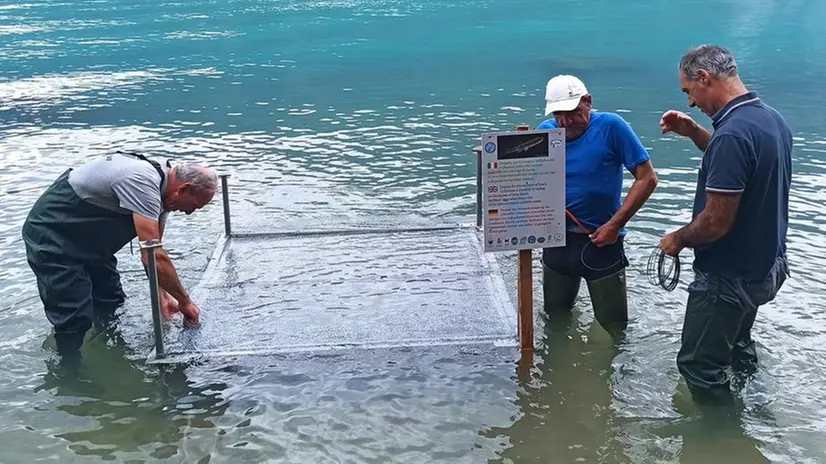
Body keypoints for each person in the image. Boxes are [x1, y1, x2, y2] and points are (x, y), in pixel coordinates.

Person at [659, 45, 792, 404]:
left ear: (704, 78)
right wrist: (694, 133)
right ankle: (757, 403)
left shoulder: (733, 134)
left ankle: (725, 440)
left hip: (727, 277)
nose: (690, 102)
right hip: (763, 268)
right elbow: (736, 162)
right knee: (736, 346)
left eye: (689, 91)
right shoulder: (770, 120)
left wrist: (676, 239)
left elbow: (715, 223)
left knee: (698, 367)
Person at [21, 151, 217, 359]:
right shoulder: (141, 182)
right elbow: (155, 256)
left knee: (111, 300)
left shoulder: (165, 192)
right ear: (184, 189)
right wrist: (185, 302)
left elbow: (151, 254)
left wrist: (163, 297)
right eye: (194, 206)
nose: (189, 213)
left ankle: (107, 353)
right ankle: (68, 369)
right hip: (54, 237)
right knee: (74, 316)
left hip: (91, 242)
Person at [537, 74, 658, 338]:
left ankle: (612, 376)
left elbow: (647, 178)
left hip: (602, 244)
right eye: (559, 114)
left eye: (572, 112)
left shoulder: (611, 127)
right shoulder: (545, 132)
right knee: (554, 321)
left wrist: (615, 225)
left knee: (615, 329)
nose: (565, 121)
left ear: (588, 102)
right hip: (557, 243)